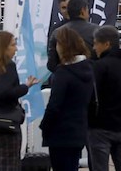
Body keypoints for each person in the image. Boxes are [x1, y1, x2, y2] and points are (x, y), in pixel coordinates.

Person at [0, 31, 38, 170]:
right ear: (3, 47)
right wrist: (25, 87)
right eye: (13, 45)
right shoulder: (8, 65)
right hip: (6, 125)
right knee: (9, 166)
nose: (16, 48)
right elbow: (4, 92)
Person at [40, 28, 94, 171]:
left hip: (60, 132)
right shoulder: (89, 68)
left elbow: (54, 105)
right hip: (79, 128)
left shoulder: (63, 73)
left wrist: (45, 125)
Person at [88, 26, 121, 171]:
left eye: (96, 43)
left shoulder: (99, 66)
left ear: (106, 44)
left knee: (100, 167)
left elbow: (91, 95)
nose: (94, 47)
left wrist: (91, 120)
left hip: (100, 127)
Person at [47, 0, 100, 72]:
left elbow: (51, 64)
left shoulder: (57, 32)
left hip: (64, 79)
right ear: (83, 11)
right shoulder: (97, 31)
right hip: (91, 78)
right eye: (87, 10)